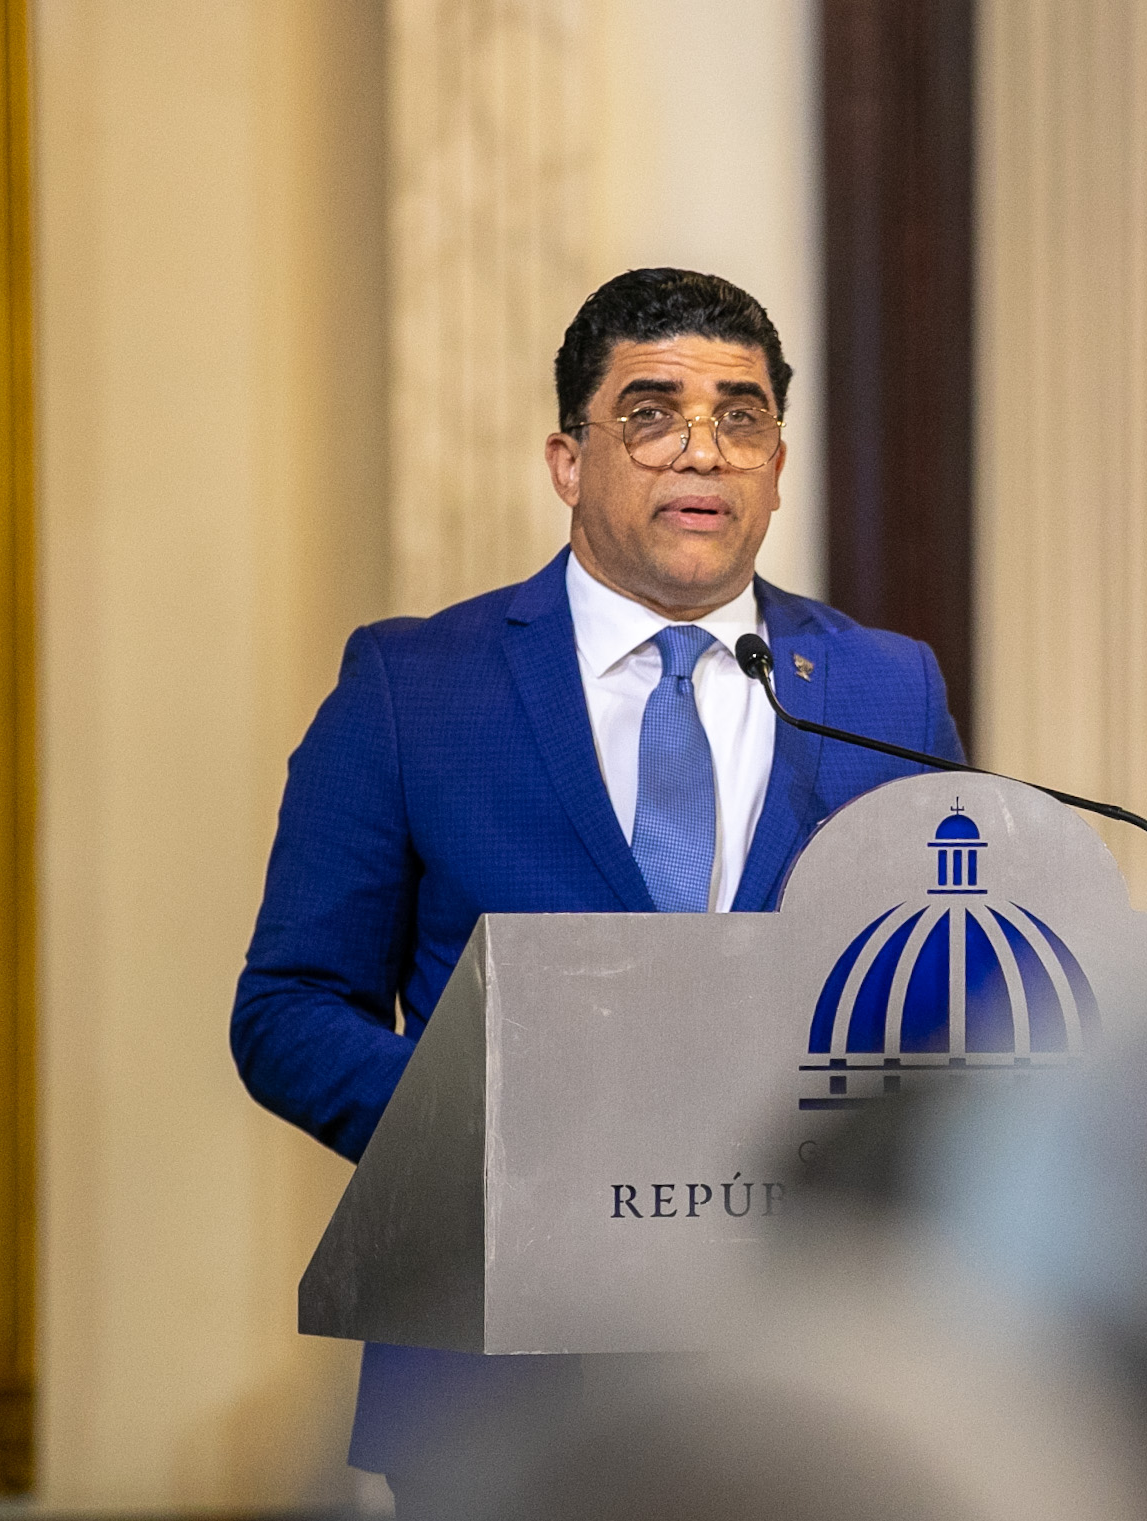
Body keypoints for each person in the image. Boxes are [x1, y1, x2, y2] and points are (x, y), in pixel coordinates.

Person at [230, 268, 967, 1509]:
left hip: (801, 1362)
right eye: (652, 414)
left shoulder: (884, 690)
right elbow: (289, 1008)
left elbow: (947, 997)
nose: (703, 450)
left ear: (778, 465)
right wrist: (495, 1134)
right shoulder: (416, 686)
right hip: (496, 1377)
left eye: (740, 417)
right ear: (567, 462)